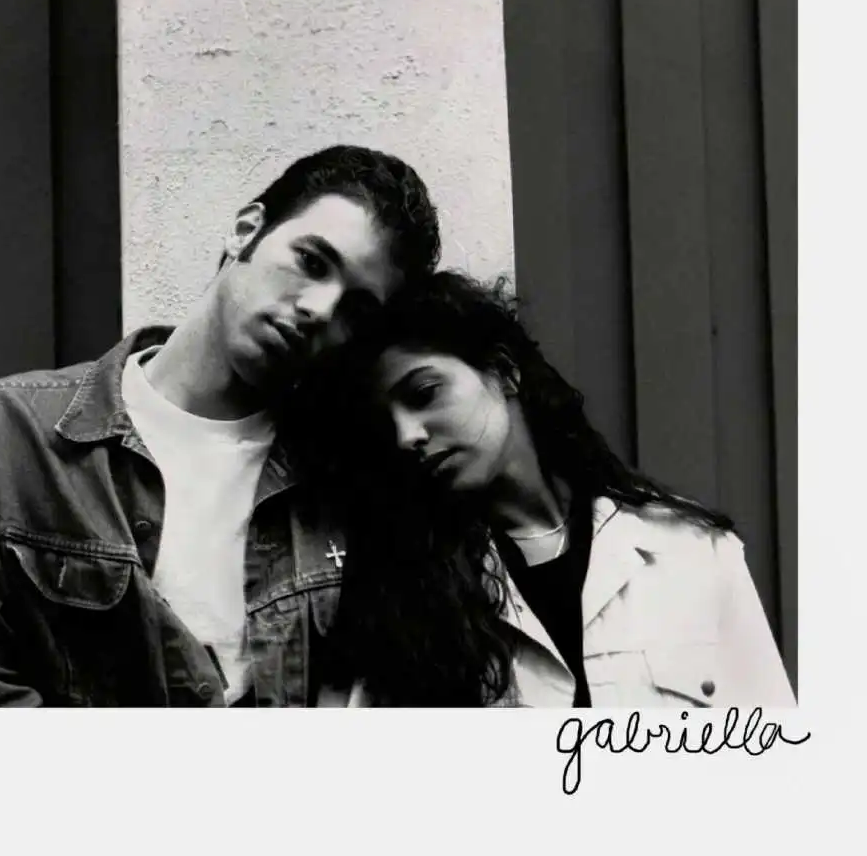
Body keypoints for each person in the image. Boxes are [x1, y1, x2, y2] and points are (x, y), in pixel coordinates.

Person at [0, 144, 441, 706]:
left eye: (356, 309)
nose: (320, 309)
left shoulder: (347, 483)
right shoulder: (0, 438)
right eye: (312, 262)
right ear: (246, 231)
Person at [282, 270, 796, 708]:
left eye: (424, 393)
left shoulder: (690, 549)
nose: (406, 435)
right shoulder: (403, 595)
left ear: (504, 372)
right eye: (386, 424)